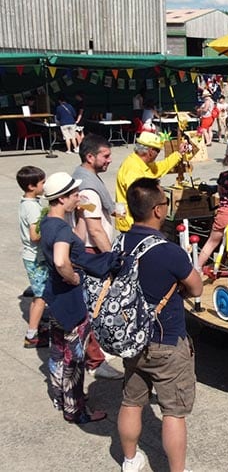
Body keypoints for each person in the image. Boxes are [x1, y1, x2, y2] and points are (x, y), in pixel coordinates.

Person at [118, 177, 204, 472]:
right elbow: (196, 288)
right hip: (167, 340)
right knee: (173, 412)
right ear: (157, 210)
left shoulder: (119, 243)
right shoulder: (168, 251)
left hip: (131, 338)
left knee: (131, 401)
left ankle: (130, 460)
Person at [39, 172, 107, 424]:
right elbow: (61, 260)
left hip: (55, 296)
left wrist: (81, 216)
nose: (79, 197)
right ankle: (75, 409)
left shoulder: (49, 223)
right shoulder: (59, 229)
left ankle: (60, 396)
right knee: (75, 357)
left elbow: (74, 241)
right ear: (62, 198)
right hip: (70, 299)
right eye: (75, 195)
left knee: (58, 350)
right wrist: (73, 277)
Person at [72, 134, 125, 381]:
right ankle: (95, 361)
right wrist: (112, 258)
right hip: (92, 252)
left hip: (91, 251)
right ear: (90, 157)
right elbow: (94, 229)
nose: (109, 160)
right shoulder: (88, 189)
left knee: (96, 305)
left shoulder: (85, 177)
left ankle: (97, 350)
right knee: (94, 306)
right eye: (105, 156)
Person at [115, 132, 191, 232]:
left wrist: (178, 154)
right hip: (132, 224)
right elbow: (140, 200)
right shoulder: (133, 169)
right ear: (151, 151)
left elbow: (160, 168)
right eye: (158, 151)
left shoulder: (141, 162)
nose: (157, 154)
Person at [17, 166, 49, 348]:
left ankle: (40, 326)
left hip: (32, 256)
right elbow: (35, 236)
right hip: (36, 258)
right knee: (40, 297)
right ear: (31, 186)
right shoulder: (32, 208)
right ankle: (32, 335)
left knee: (41, 293)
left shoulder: (27, 202)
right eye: (42, 182)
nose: (45, 185)